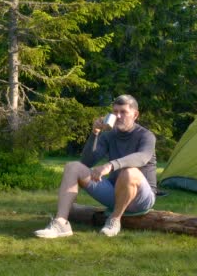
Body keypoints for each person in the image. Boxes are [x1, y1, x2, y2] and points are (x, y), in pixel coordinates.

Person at [34, 94, 157, 238]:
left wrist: (110, 165)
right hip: (115, 193)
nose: (118, 116)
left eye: (123, 112)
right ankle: (61, 223)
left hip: (142, 198)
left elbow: (142, 158)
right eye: (115, 112)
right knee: (73, 167)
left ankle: (114, 220)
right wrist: (95, 134)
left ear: (135, 115)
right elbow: (86, 162)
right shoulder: (109, 135)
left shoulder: (146, 136)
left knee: (129, 172)